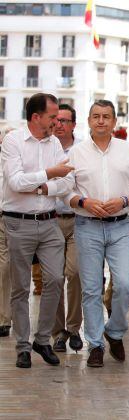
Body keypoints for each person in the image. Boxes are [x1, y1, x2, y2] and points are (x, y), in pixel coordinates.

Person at [65, 99, 129, 368]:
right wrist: (82, 202)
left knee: (124, 284)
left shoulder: (128, 150)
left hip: (120, 225)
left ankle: (114, 332)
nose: (101, 121)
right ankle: (96, 345)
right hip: (87, 226)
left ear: (114, 122)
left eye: (106, 117)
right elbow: (63, 190)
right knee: (91, 289)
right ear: (89, 121)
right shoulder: (76, 154)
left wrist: (125, 201)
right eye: (96, 116)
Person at [1, 93, 74, 368]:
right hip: (17, 221)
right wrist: (49, 173)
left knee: (55, 279)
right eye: (53, 117)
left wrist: (45, 185)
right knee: (20, 287)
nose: (57, 122)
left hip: (49, 221)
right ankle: (22, 346)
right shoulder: (13, 141)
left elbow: (68, 183)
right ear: (36, 117)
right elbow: (16, 181)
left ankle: (42, 340)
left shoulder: (54, 142)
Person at [50, 103, 84, 353]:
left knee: (74, 273)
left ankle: (73, 328)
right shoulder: (46, 148)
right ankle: (57, 332)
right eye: (56, 120)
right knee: (54, 277)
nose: (59, 124)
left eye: (65, 120)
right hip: (50, 219)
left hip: (76, 219)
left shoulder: (81, 150)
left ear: (73, 124)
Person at [0, 126, 15, 338]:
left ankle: (5, 318)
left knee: (7, 267)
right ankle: (4, 317)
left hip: (10, 218)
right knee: (4, 267)